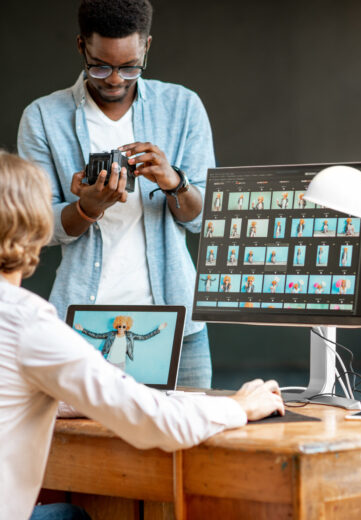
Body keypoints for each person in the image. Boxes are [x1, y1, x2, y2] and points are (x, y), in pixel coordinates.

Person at [0, 151, 285, 520]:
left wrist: (71, 396)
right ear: (36, 230)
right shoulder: (27, 323)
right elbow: (154, 421)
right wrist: (239, 406)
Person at [18, 0, 214, 388]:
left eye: (129, 67)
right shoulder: (43, 116)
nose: (114, 79)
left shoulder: (182, 107)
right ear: (80, 46)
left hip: (176, 321)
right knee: (88, 447)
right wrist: (86, 209)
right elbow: (37, 227)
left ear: (147, 47)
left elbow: (205, 220)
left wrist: (175, 182)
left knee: (191, 445)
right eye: (100, 65)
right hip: (80, 324)